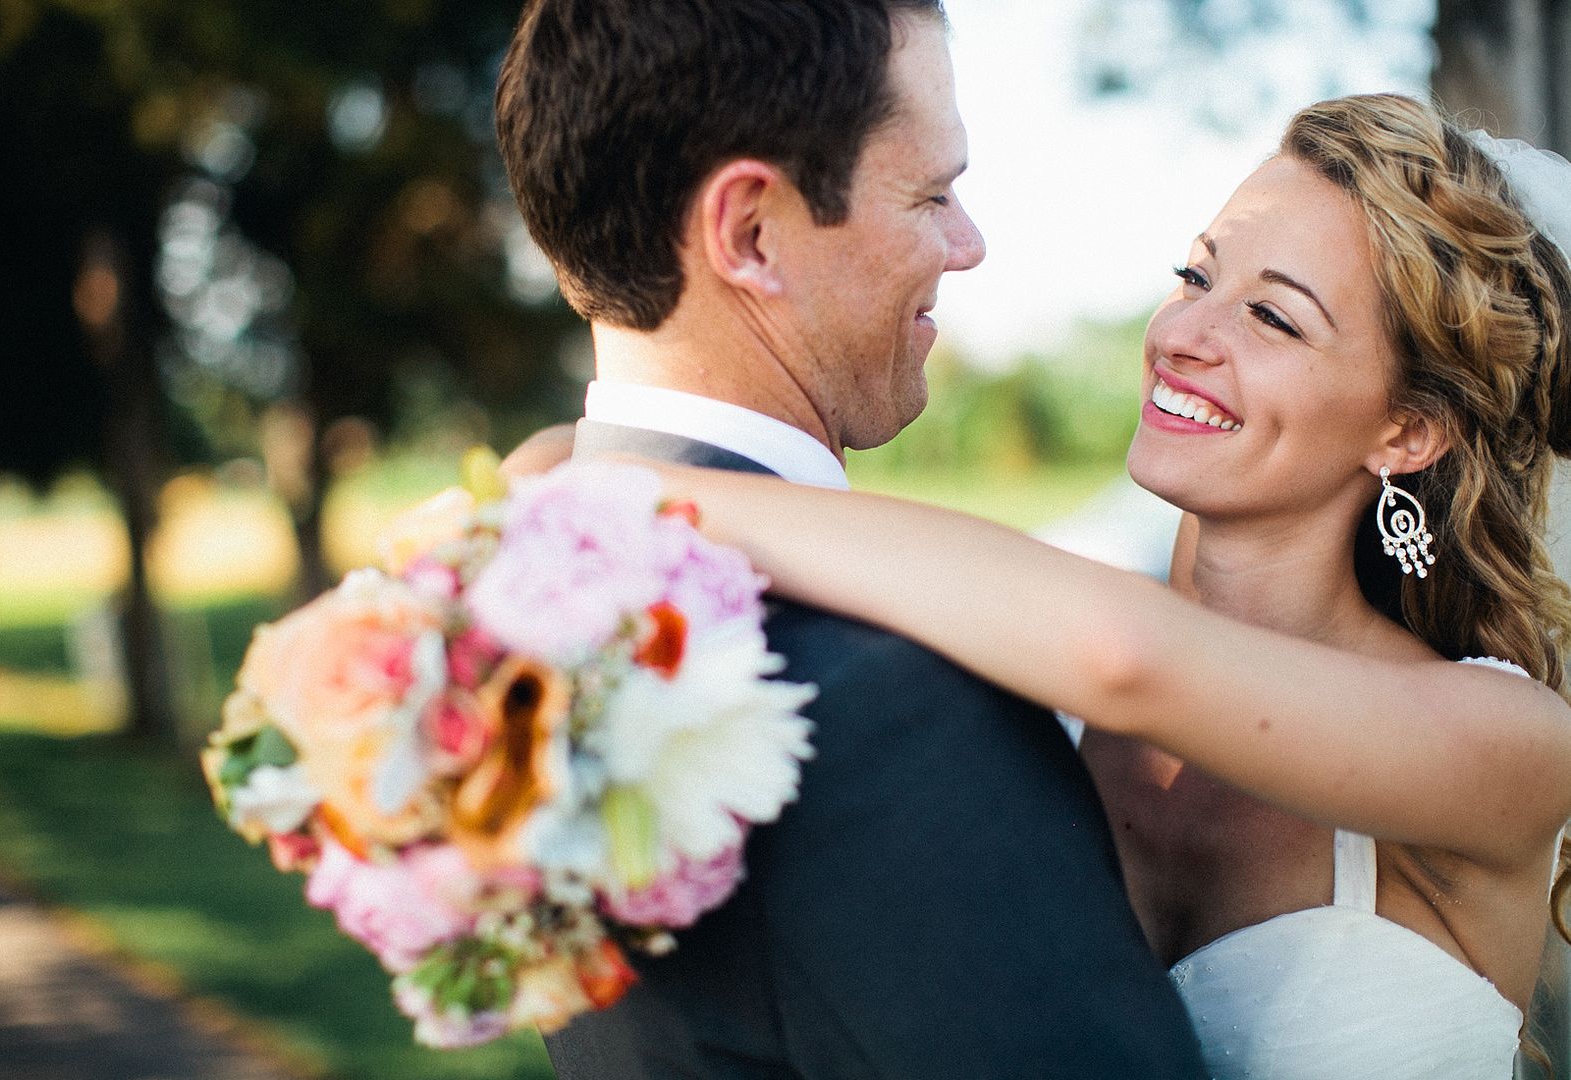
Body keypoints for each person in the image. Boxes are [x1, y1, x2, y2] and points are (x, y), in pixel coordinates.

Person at [544, 94, 1571, 1078]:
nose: (1182, 335)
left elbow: (1126, 656)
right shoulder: (1021, 688)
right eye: (1195, 274)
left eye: (1272, 316)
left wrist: (620, 486)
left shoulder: (1510, 743)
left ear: (1408, 431)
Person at [493, 1, 1209, 1077]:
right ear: (752, 233)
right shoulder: (890, 699)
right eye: (933, 193)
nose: (970, 245)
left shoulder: (506, 598)